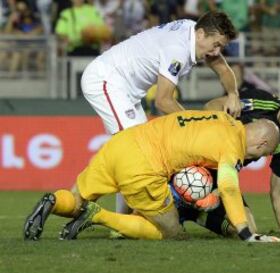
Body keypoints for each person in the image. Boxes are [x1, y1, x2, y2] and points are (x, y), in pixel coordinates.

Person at [24, 110, 280, 242]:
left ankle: (52, 201)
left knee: (74, 199)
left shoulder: (223, 118)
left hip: (122, 142)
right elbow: (229, 189)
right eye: (263, 152)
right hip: (143, 165)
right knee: (170, 233)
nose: (256, 156)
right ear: (262, 143)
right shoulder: (232, 146)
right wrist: (247, 233)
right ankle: (98, 215)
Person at [80, 11, 241, 214]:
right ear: (201, 34)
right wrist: (196, 126)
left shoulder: (195, 31)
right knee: (134, 153)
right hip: (107, 80)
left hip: (127, 91)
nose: (217, 51)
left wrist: (233, 94)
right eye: (216, 44)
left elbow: (223, 69)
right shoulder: (178, 49)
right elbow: (163, 101)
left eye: (221, 46)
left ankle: (122, 220)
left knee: (137, 155)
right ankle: (77, 202)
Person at [201, 88, 280, 238]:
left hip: (225, 174)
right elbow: (211, 106)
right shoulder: (261, 101)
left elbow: (277, 191)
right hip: (202, 155)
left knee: (249, 230)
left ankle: (199, 216)